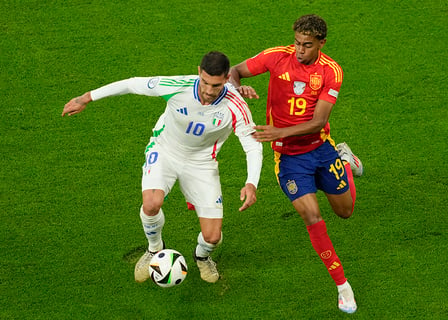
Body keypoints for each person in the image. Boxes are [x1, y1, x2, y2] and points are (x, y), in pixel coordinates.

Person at [62, 51, 263, 284]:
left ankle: (202, 257)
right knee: (151, 203)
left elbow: (252, 145)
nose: (208, 91)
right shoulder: (178, 85)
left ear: (227, 78)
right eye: (205, 82)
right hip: (165, 150)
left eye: (216, 85)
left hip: (201, 163)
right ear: (199, 72)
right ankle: (154, 249)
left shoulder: (236, 105)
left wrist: (251, 182)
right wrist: (85, 98)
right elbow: (131, 84)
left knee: (212, 237)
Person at [229, 14, 362, 313]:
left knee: (345, 212)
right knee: (313, 217)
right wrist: (239, 88)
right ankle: (343, 286)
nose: (300, 50)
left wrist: (279, 132)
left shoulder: (331, 71)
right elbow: (235, 71)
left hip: (320, 149)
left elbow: (319, 122)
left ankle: (343, 157)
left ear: (321, 44)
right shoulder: (277, 57)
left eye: (307, 45)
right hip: (289, 159)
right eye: (297, 43)